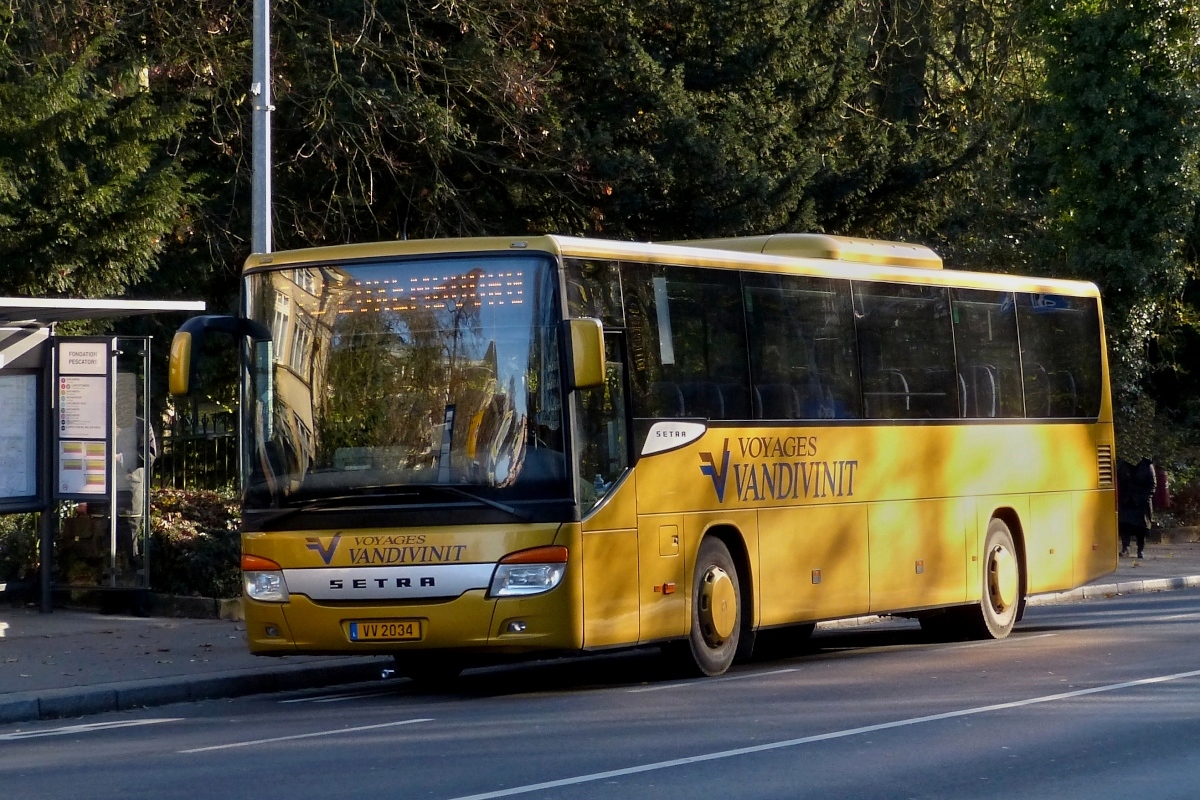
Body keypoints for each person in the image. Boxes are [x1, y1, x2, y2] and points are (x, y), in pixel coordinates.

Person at [1117, 456, 1155, 559]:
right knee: (1125, 525)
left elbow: (1152, 485)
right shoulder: (1123, 464)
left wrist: (1144, 497)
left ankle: (1140, 550)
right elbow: (1118, 481)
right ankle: (1125, 548)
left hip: (1141, 502)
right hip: (1126, 500)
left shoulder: (1147, 465)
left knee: (1141, 528)